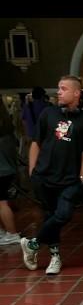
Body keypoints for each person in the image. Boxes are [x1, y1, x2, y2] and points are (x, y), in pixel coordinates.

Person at [20, 75, 83, 275]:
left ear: (76, 93)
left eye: (63, 89)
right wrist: (32, 172)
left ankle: (32, 244)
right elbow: (36, 142)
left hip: (70, 178)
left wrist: (81, 177)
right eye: (58, 89)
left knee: (63, 214)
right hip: (44, 176)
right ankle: (55, 257)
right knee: (49, 216)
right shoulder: (48, 113)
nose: (59, 92)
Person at [0, 97, 21, 245]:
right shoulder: (6, 127)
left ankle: (12, 233)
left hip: (1, 170)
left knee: (2, 203)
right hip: (8, 169)